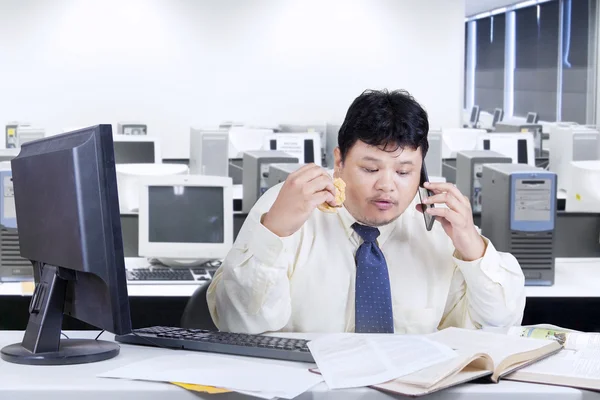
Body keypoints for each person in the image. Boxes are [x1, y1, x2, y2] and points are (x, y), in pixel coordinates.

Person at [207, 89, 526, 334]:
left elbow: (499, 325)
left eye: (404, 172)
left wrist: (473, 248)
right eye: (371, 168)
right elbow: (240, 324)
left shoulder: (440, 224)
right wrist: (274, 231)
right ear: (339, 161)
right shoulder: (289, 206)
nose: (387, 186)